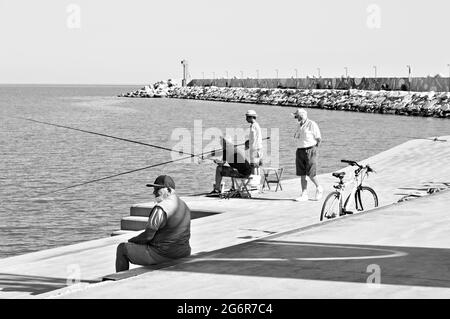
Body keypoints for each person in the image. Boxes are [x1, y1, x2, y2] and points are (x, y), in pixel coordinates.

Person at [115, 175, 191, 272]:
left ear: (168, 190)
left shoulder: (161, 208)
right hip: (183, 252)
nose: (154, 192)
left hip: (164, 255)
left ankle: (119, 280)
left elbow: (147, 236)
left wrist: (132, 241)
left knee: (122, 249)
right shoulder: (184, 205)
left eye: (157, 189)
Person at [292, 108, 323, 201]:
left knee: (311, 173)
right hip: (300, 150)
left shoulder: (312, 124)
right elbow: (296, 136)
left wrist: (314, 149)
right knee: (302, 173)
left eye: (296, 116)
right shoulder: (298, 125)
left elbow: (318, 138)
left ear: (301, 115)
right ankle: (304, 194)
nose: (295, 117)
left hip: (310, 149)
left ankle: (319, 188)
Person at [245, 110, 263, 175]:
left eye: (247, 117)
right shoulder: (256, 125)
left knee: (253, 166)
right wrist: (248, 141)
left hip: (255, 149)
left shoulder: (253, 126)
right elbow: (253, 138)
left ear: (251, 117)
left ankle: (255, 182)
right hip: (258, 148)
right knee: (257, 166)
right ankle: (258, 181)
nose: (246, 119)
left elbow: (253, 138)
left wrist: (247, 144)